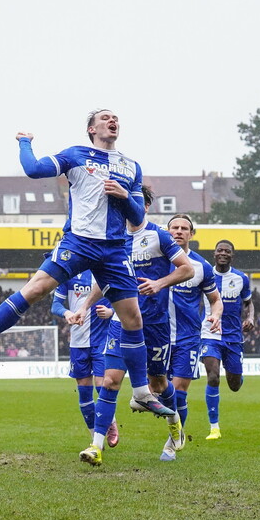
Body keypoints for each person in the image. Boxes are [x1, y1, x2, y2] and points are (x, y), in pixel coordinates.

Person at [0, 109, 173, 467]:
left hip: (114, 249)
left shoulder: (131, 167)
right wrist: (26, 143)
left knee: (133, 318)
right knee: (37, 287)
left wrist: (123, 195)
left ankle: (139, 393)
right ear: (92, 129)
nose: (112, 121)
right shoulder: (76, 154)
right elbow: (34, 169)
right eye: (105, 118)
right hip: (80, 241)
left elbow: (138, 217)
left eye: (115, 117)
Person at [71, 187, 195, 461]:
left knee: (159, 384)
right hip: (120, 323)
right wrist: (84, 307)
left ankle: (175, 426)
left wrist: (159, 283)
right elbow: (104, 282)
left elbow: (188, 269)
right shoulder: (112, 241)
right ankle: (96, 446)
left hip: (155, 325)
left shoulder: (159, 236)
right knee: (111, 381)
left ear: (144, 206)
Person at [165, 214, 223, 461]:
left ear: (191, 234)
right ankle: (173, 427)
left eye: (184, 228)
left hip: (188, 338)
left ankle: (171, 443)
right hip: (158, 337)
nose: (179, 231)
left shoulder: (202, 267)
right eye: (174, 228)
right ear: (167, 232)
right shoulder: (155, 262)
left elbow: (215, 300)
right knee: (160, 392)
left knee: (178, 393)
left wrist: (216, 315)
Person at [51, 269, 118, 445]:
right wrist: (66, 313)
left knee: (102, 384)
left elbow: (123, 297)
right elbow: (55, 304)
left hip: (102, 339)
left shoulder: (104, 270)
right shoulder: (69, 274)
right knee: (84, 391)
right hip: (78, 342)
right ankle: (94, 438)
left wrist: (111, 312)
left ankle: (110, 424)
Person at [200, 240, 254, 440]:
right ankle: (214, 427)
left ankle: (238, 375)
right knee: (213, 377)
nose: (223, 253)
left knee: (234, 385)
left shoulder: (241, 278)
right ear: (214, 254)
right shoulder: (205, 275)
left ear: (232, 255)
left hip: (233, 338)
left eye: (227, 251)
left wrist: (250, 318)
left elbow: (249, 302)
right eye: (220, 250)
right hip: (209, 334)